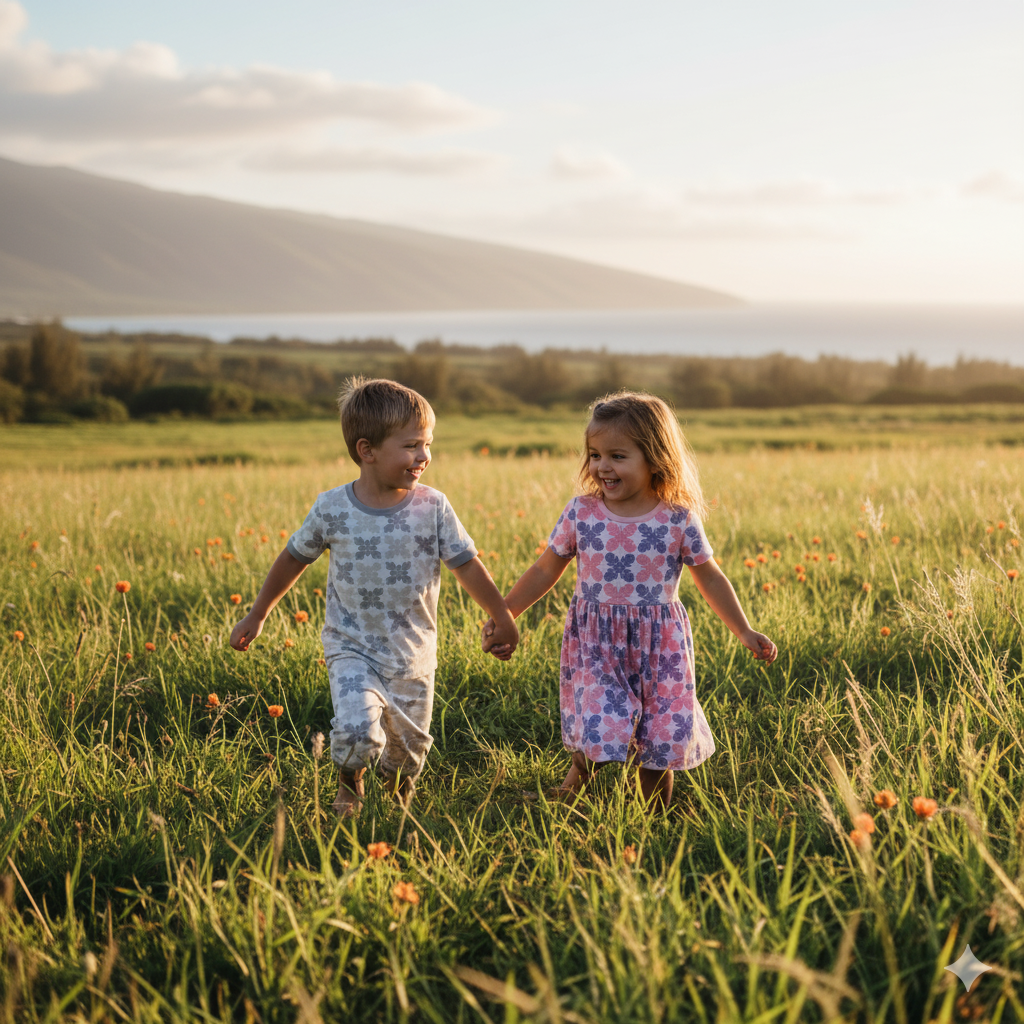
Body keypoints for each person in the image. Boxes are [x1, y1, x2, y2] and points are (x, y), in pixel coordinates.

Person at [230, 377, 518, 817]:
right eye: (412, 446)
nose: (424, 456)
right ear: (367, 450)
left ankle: (398, 794)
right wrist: (258, 614)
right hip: (351, 647)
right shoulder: (332, 508)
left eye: (427, 444)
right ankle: (350, 784)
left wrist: (501, 614)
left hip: (413, 654)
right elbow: (293, 557)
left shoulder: (434, 507)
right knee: (356, 731)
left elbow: (467, 564)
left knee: (409, 751)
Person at [486, 390, 776, 809]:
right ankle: (568, 794)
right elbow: (545, 569)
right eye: (594, 455)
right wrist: (505, 611)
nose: (602, 466)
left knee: (661, 733)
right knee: (600, 723)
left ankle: (656, 812)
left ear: (655, 458)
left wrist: (744, 629)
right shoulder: (581, 513)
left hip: (662, 647)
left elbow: (710, 577)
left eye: (617, 456)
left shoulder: (677, 519)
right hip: (598, 643)